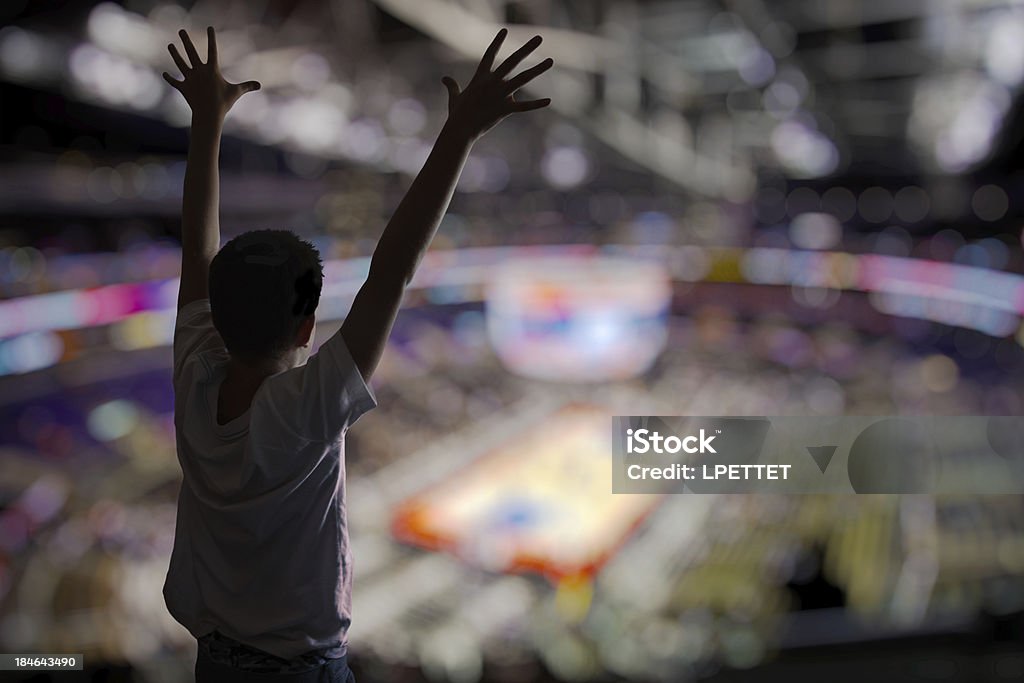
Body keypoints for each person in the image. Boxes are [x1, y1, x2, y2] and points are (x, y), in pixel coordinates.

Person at [160, 25, 552, 682]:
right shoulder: (303, 406)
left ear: (215, 320)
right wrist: (460, 132)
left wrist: (204, 123)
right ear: (309, 326)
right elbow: (392, 268)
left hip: (215, 661)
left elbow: (201, 258)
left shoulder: (195, 373)